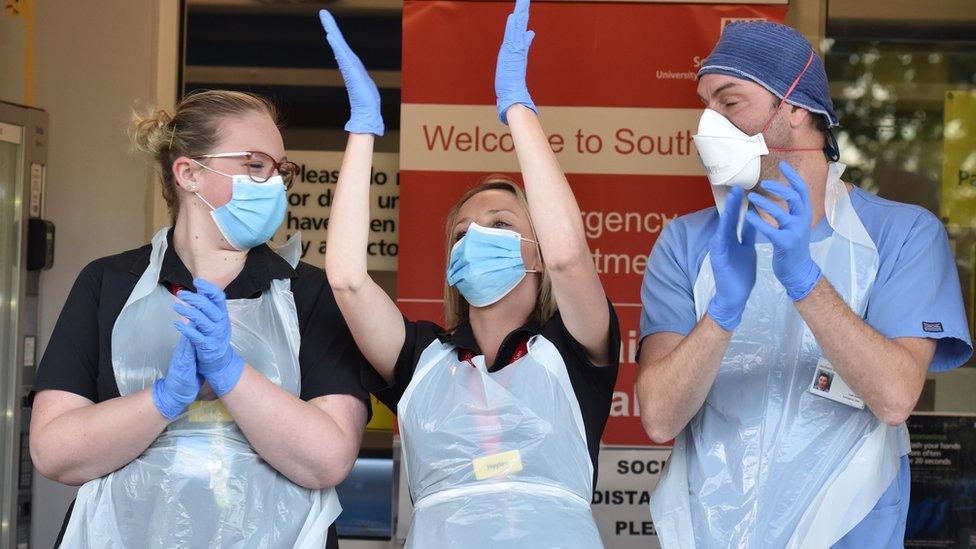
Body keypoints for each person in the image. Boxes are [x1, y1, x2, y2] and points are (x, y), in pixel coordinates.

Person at [636, 21, 972, 548]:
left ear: (795, 107)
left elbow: (894, 398)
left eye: (730, 102)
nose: (708, 125)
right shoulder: (686, 243)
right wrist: (721, 312)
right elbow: (658, 417)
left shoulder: (902, 235)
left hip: (847, 529)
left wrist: (804, 281)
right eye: (704, 106)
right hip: (713, 531)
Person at [320, 3, 618, 547]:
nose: (476, 237)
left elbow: (569, 256)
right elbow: (345, 278)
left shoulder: (574, 348)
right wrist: (364, 129)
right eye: (461, 233)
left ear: (535, 247)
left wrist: (517, 109)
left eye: (500, 222)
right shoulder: (420, 359)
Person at [29, 90, 371, 548]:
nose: (273, 184)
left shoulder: (310, 293)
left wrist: (231, 374)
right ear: (189, 173)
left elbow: (328, 459)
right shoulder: (108, 284)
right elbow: (55, 453)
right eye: (255, 165)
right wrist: (165, 398)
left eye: (279, 170)